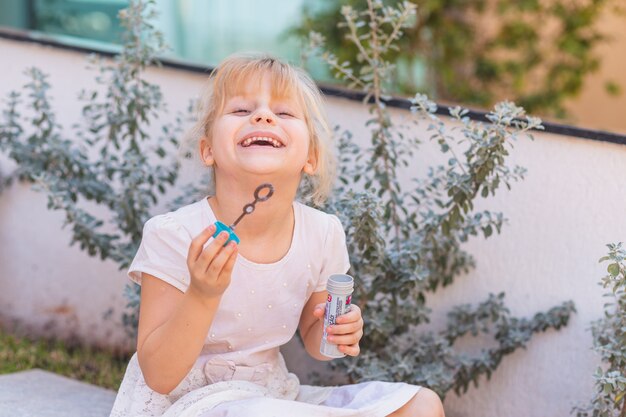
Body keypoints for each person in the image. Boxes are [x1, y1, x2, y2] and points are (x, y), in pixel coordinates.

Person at [109, 54, 445, 417]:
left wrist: (338, 331)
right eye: (240, 110)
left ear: (311, 157)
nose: (263, 116)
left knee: (421, 405)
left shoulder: (322, 232)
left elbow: (317, 339)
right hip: (189, 405)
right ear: (208, 150)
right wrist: (203, 294)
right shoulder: (175, 234)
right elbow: (159, 375)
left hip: (272, 398)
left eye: (284, 113)